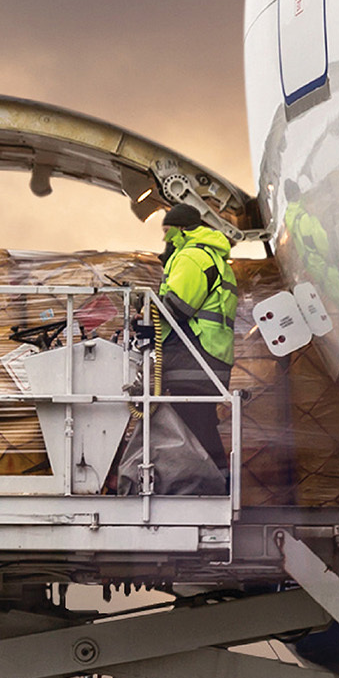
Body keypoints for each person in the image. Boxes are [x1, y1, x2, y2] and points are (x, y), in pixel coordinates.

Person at [155, 204, 239, 480]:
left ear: (181, 229)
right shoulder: (210, 255)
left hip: (195, 355)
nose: (164, 239)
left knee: (191, 424)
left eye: (167, 232)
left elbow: (178, 307)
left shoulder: (191, 257)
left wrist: (144, 311)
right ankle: (217, 479)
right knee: (198, 422)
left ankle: (213, 482)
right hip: (209, 355)